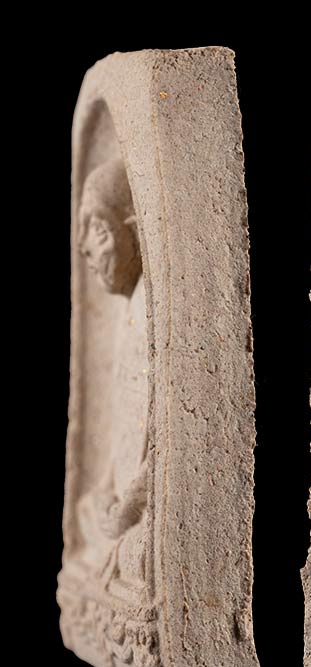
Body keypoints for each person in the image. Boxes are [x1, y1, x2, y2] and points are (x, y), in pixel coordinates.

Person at [74, 157, 148, 594]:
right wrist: (106, 489)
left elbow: (167, 438)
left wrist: (129, 507)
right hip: (121, 500)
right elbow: (124, 426)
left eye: (99, 230)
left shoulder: (156, 313)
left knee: (137, 552)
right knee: (87, 512)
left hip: (138, 505)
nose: (84, 248)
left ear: (135, 230)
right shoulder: (127, 313)